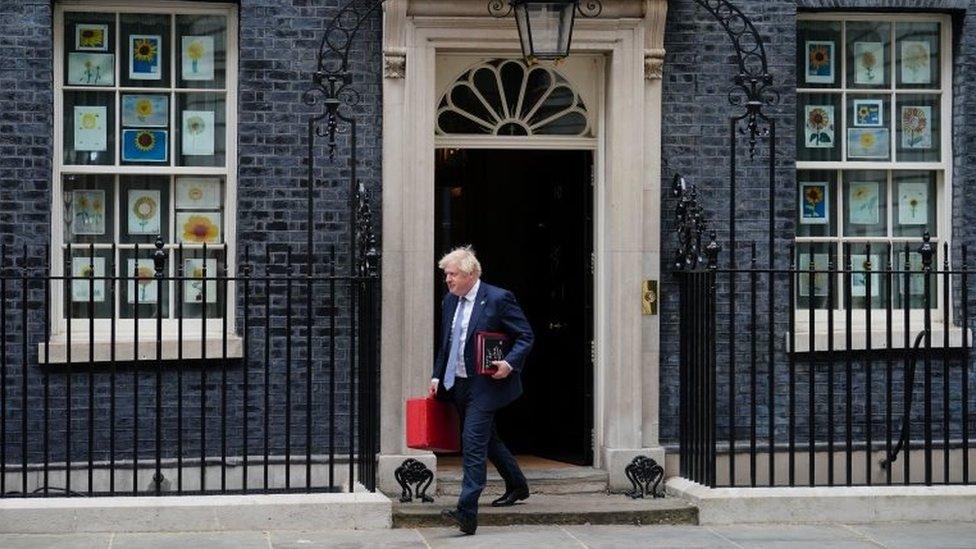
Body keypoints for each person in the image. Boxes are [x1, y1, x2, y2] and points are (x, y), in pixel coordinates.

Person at [429, 246, 534, 536]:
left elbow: (525, 335)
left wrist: (510, 364)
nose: (448, 280)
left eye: (453, 274)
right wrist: (437, 376)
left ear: (471, 274)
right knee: (488, 438)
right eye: (446, 275)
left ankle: (466, 513)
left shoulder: (498, 298)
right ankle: (517, 484)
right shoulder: (450, 301)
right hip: (458, 383)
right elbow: (446, 343)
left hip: (486, 385)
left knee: (472, 443)